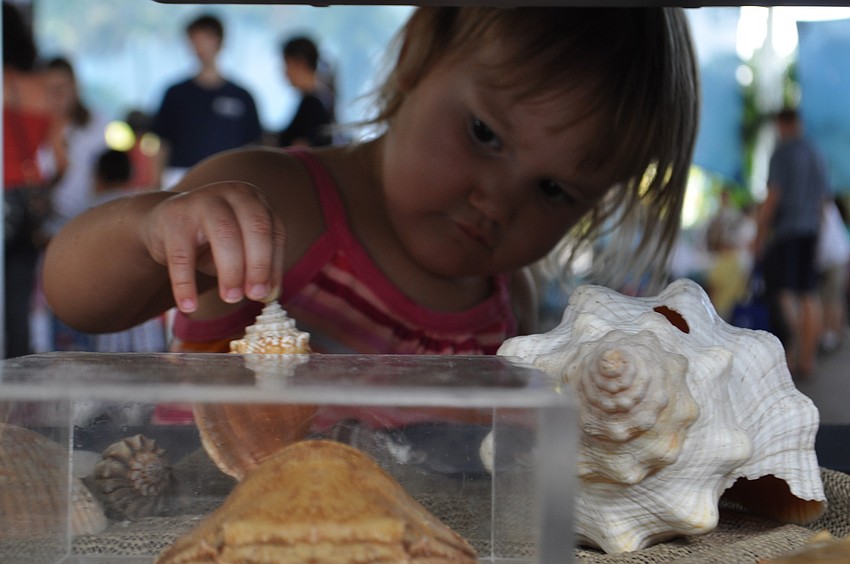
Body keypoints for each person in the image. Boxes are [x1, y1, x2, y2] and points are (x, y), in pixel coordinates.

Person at [44, 8, 698, 371]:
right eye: (485, 133)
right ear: (421, 53)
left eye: (556, 190)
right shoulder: (272, 200)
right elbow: (75, 297)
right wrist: (152, 232)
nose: (498, 202)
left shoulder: (508, 306)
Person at [3, 1, 67, 358]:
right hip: (27, 203)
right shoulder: (42, 89)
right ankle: (12, 386)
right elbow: (60, 161)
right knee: (19, 297)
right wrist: (42, 189)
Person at [754, 108, 830, 378]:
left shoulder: (783, 153)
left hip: (787, 231)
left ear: (782, 124)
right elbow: (823, 202)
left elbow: (773, 196)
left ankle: (791, 351)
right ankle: (808, 360)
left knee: (785, 292)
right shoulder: (816, 153)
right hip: (811, 230)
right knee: (809, 292)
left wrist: (758, 234)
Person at [151, 13, 263, 189]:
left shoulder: (241, 96)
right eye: (194, 40)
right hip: (180, 176)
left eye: (205, 38)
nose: (199, 46)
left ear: (219, 41)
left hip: (228, 177)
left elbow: (252, 145)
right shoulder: (175, 94)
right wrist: (156, 181)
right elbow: (162, 142)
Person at [89, 149, 168, 353]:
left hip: (103, 310)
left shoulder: (88, 211)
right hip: (143, 310)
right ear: (130, 175)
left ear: (98, 176)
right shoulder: (142, 206)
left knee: (106, 365)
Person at [277, 36, 336, 148]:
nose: (285, 71)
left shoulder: (313, 104)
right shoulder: (324, 97)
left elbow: (300, 148)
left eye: (287, 64)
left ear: (301, 63)